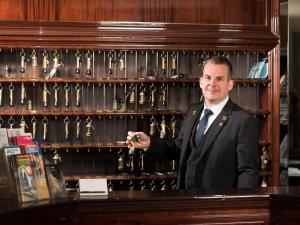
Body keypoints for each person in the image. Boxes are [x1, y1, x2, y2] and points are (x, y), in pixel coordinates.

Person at [127, 56, 259, 190]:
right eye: (208, 77)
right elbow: (180, 147)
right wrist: (150, 143)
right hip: (186, 201)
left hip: (218, 205)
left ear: (230, 84)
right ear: (201, 82)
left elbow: (247, 172)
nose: (212, 84)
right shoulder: (193, 110)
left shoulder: (243, 120)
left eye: (219, 79)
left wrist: (242, 208)